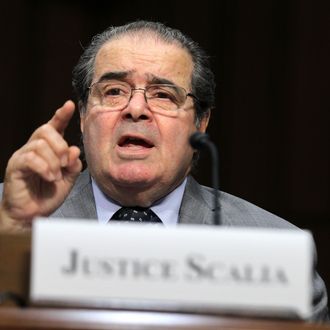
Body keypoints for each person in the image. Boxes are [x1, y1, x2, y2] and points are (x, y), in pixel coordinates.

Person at [0, 21, 328, 320]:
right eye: (114, 91)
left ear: (200, 122)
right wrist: (13, 227)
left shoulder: (273, 246)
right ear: (84, 115)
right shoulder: (7, 215)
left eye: (163, 95)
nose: (137, 109)